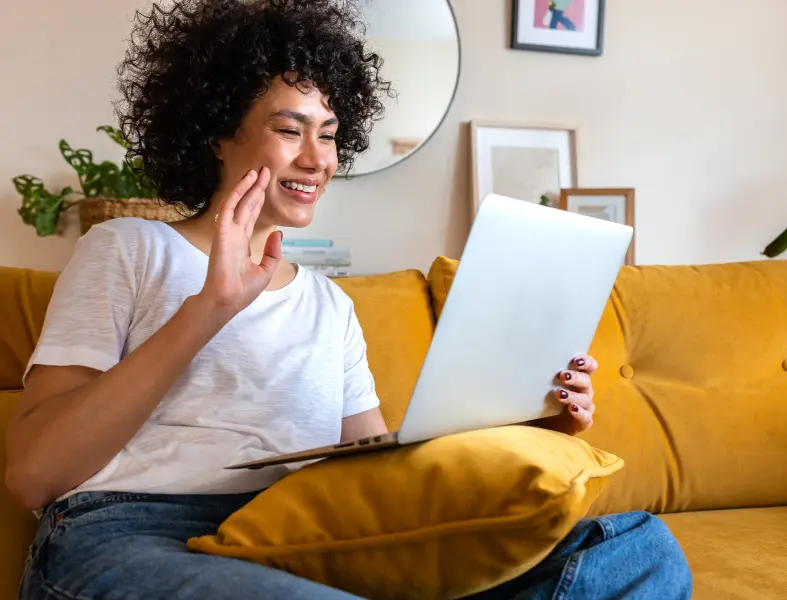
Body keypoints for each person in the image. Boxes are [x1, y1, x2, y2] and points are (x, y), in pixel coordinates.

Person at [5, 1, 692, 598]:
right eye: (289, 128)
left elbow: (382, 480)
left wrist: (532, 426)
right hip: (130, 532)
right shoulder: (129, 248)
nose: (317, 158)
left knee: (636, 552)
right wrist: (209, 307)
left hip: (300, 537)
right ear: (217, 132)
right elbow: (35, 475)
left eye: (329, 134)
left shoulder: (330, 309)